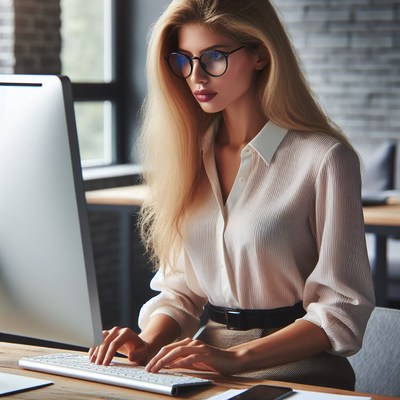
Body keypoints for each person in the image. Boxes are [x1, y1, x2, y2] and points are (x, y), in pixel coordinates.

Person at [89, 0, 375, 390]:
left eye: (214, 57)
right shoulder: (188, 156)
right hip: (201, 359)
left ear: (260, 54)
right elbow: (182, 290)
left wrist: (235, 358)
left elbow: (341, 310)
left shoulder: (324, 158)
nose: (196, 77)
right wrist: (147, 343)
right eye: (184, 60)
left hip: (296, 365)